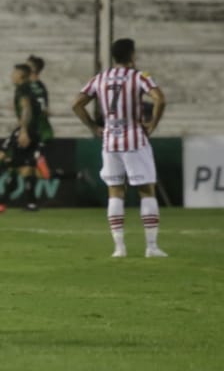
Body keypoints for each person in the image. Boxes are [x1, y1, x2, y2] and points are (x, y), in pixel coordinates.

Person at [72, 38, 168, 258]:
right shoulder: (139, 77)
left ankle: (119, 248)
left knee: (115, 192)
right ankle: (151, 247)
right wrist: (153, 123)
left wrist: (94, 127)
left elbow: (76, 103)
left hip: (110, 141)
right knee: (146, 190)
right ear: (132, 56)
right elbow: (159, 99)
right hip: (134, 139)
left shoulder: (100, 78)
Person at [0, 63, 45, 215]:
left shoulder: (23, 88)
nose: (12, 76)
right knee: (24, 169)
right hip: (32, 130)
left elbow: (26, 108)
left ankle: (1, 203)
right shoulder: (28, 88)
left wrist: (23, 130)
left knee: (11, 164)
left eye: (14, 73)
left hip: (27, 131)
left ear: (21, 75)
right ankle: (28, 203)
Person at [26, 54, 54, 180]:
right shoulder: (40, 86)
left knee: (30, 167)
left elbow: (40, 110)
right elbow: (46, 109)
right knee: (29, 169)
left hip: (37, 130)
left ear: (33, 69)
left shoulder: (31, 87)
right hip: (38, 129)